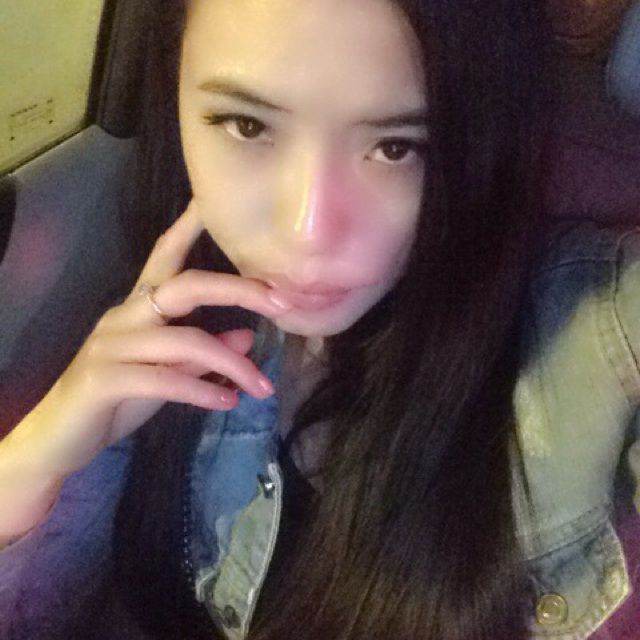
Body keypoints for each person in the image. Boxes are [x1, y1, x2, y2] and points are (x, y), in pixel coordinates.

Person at [1, 0, 639, 638]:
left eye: (395, 147)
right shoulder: (181, 310)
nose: (308, 233)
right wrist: (31, 465)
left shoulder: (605, 339)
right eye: (247, 125)